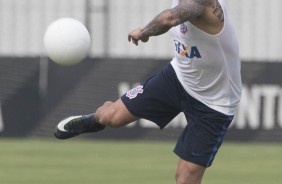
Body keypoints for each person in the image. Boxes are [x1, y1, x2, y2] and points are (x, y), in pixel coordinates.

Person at [54, 0, 242, 183]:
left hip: (215, 102)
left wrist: (144, 32)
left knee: (185, 178)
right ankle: (94, 120)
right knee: (111, 117)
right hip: (178, 78)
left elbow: (168, 18)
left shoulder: (202, 3)